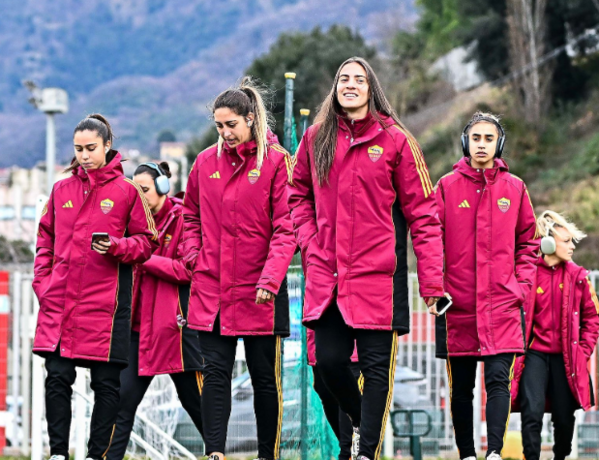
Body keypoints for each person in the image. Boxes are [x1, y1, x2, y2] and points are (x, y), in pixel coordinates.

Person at [287, 56, 444, 460]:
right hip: (328, 277)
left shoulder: (397, 140)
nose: (350, 84)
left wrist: (432, 283)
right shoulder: (316, 138)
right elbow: (296, 195)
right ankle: (359, 423)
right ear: (335, 88)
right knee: (328, 364)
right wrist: (310, 241)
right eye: (344, 78)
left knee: (376, 372)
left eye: (359, 79)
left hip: (379, 280)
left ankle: (365, 452)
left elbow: (424, 214)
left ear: (371, 89)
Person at [32, 114, 158, 460]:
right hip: (60, 301)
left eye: (91, 148)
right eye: (78, 149)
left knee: (105, 384)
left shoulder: (127, 191)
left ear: (107, 146)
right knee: (57, 377)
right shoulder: (61, 189)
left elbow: (147, 242)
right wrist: (43, 283)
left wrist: (117, 246)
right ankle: (58, 453)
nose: (85, 155)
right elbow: (45, 239)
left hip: (107, 307)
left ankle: (95, 455)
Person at [182, 77, 296, 460]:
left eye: (231, 124)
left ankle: (267, 455)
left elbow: (287, 227)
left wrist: (271, 278)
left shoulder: (277, 162)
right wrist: (195, 257)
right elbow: (189, 216)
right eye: (219, 126)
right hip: (212, 290)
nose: (225, 133)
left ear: (250, 118)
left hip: (260, 292)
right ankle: (215, 452)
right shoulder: (204, 163)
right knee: (215, 375)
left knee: (264, 379)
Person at [431, 111, 539, 460]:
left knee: (498, 381)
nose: (481, 144)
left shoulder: (515, 188)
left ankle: (493, 452)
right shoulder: (446, 186)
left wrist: (521, 287)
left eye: (488, 138)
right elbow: (430, 240)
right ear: (466, 142)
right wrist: (436, 286)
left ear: (499, 144)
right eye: (475, 138)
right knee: (461, 388)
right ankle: (467, 454)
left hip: (503, 306)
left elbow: (529, 243)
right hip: (457, 307)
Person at [106, 162, 204, 460]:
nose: (139, 196)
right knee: (120, 403)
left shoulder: (184, 219)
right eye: (134, 191)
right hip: (136, 331)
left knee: (199, 405)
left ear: (163, 188)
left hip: (178, 330)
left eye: (145, 190)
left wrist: (142, 255)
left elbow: (189, 269)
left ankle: (219, 453)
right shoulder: (128, 223)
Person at [510, 211, 599, 460]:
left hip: (566, 357)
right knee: (531, 412)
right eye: (567, 241)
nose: (572, 246)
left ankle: (561, 457)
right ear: (547, 243)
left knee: (564, 416)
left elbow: (593, 318)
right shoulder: (526, 274)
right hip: (534, 355)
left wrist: (582, 351)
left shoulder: (579, 277)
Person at [308, 329, 360, 460]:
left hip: (351, 344)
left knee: (345, 392)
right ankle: (347, 449)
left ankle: (348, 452)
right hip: (319, 338)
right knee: (324, 391)